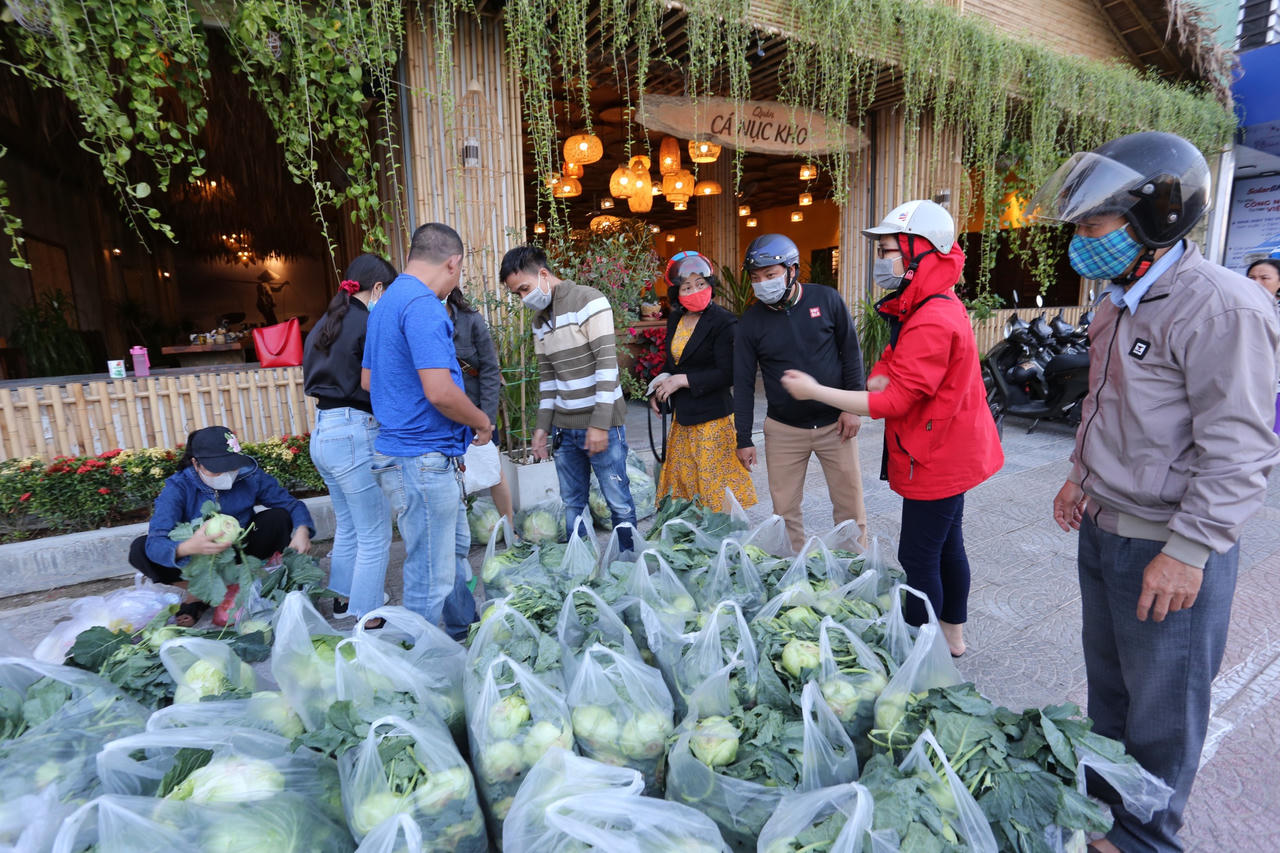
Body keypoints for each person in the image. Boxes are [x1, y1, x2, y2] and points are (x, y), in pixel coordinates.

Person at [1035, 131, 1280, 853]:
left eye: (1092, 223)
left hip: (1167, 549)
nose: (1082, 239)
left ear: (1158, 215)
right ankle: (1107, 822)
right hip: (1106, 530)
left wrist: (1190, 549)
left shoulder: (1223, 308)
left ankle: (1145, 839)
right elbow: (1105, 404)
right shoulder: (1116, 301)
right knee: (1110, 694)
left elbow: (1240, 447)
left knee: (1164, 714)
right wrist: (1081, 477)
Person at [780, 200, 1003, 656]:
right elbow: (890, 379)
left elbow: (891, 400)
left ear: (921, 251)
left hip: (937, 456)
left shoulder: (933, 316)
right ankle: (952, 637)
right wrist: (871, 382)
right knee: (945, 546)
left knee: (919, 557)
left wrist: (818, 391)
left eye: (888, 251)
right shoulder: (924, 304)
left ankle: (919, 653)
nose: (881, 261)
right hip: (946, 448)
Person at [362, 223, 493, 641]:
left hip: (403, 455)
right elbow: (440, 392)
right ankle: (409, 671)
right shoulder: (423, 305)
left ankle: (462, 633)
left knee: (450, 555)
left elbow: (368, 381)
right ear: (453, 262)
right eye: (460, 270)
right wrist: (480, 420)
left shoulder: (384, 303)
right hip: (422, 459)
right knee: (429, 576)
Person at [733, 233, 867, 551]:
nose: (762, 283)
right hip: (783, 430)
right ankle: (795, 572)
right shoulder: (751, 322)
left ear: (791, 271)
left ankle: (854, 567)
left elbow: (851, 354)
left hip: (836, 425)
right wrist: (743, 438)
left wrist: (853, 408)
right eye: (756, 278)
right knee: (785, 512)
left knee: (850, 507)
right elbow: (742, 382)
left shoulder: (827, 300)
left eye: (770, 275)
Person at [499, 245, 637, 547]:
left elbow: (606, 366)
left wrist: (600, 424)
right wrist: (542, 428)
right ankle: (582, 569)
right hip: (565, 430)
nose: (524, 298)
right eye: (517, 294)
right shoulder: (539, 322)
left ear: (544, 275)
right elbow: (549, 380)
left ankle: (628, 565)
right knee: (572, 504)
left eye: (524, 289)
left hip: (603, 426)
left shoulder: (590, 301)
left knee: (618, 502)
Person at [129, 425, 314, 627]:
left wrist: (302, 530)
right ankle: (203, 591)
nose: (227, 474)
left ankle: (216, 592)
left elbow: (290, 504)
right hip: (195, 560)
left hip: (239, 551)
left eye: (231, 466)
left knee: (278, 517)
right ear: (196, 463)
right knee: (140, 549)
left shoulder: (249, 476)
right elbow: (157, 540)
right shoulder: (178, 487)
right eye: (217, 470)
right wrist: (187, 547)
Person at [303, 253, 393, 626]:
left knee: (350, 526)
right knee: (375, 530)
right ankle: (368, 614)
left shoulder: (324, 323)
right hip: (354, 431)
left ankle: (344, 600)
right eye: (385, 292)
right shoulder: (368, 324)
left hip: (323, 430)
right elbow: (378, 383)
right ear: (376, 288)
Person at [650, 251, 756, 512]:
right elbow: (673, 362)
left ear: (711, 285)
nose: (695, 290)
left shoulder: (725, 322)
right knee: (686, 487)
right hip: (683, 419)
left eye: (701, 284)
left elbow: (728, 373)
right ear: (677, 293)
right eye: (687, 286)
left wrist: (682, 381)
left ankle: (721, 544)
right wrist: (658, 387)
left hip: (713, 421)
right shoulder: (676, 318)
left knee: (714, 493)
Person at [447, 286, 515, 528]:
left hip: (474, 409)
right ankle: (461, 532)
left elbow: (489, 369)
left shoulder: (471, 320)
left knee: (494, 472)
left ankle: (511, 531)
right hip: (441, 413)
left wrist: (487, 418)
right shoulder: (420, 319)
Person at [1246, 258, 1280, 436]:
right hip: (1248, 387)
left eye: (1264, 278)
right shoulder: (1240, 308)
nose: (1256, 283)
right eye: (1251, 278)